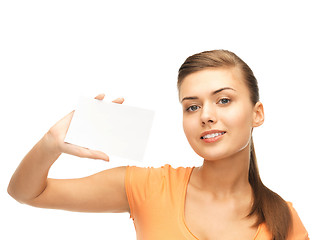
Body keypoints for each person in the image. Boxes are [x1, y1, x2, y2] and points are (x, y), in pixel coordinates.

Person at [8, 50, 309, 240]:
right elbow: (27, 193)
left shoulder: (282, 218)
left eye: (224, 100)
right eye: (192, 106)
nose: (206, 115)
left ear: (257, 114)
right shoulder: (147, 186)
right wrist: (50, 144)